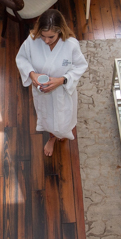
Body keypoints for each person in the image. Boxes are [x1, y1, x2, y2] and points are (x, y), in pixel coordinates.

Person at [15, 9, 88, 157]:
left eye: (51, 37)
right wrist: (32, 73)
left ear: (60, 31)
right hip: (43, 92)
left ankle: (61, 133)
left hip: (63, 91)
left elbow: (81, 66)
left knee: (64, 118)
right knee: (47, 117)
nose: (46, 40)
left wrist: (62, 80)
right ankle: (52, 138)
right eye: (43, 36)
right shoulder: (32, 40)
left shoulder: (71, 45)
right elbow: (21, 59)